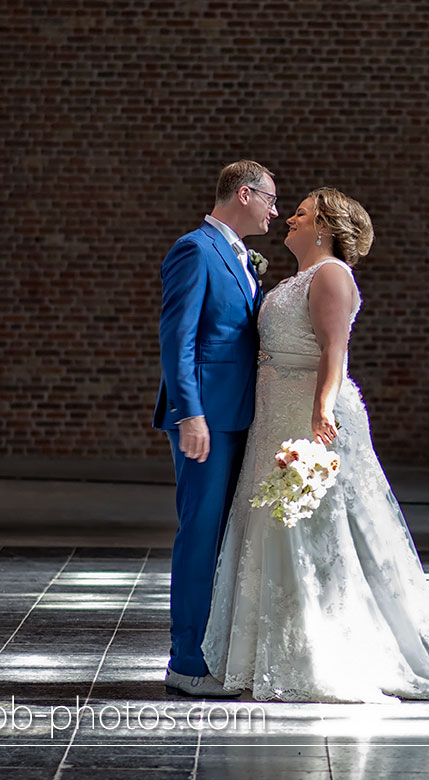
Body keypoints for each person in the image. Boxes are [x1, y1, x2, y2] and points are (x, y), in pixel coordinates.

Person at [202, 188, 429, 702]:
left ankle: (329, 647)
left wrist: (320, 409)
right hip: (274, 415)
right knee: (277, 525)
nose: (289, 219)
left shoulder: (331, 276)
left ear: (323, 228)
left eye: (300, 214)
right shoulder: (295, 279)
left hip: (308, 413)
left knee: (319, 526)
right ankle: (274, 649)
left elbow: (333, 349)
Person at [153, 160, 278, 697]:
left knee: (227, 537)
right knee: (201, 536)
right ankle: (185, 662)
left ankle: (214, 650)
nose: (275, 209)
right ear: (244, 194)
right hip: (207, 419)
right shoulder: (194, 249)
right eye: (271, 198)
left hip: (240, 415)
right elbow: (176, 339)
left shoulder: (237, 255)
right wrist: (190, 413)